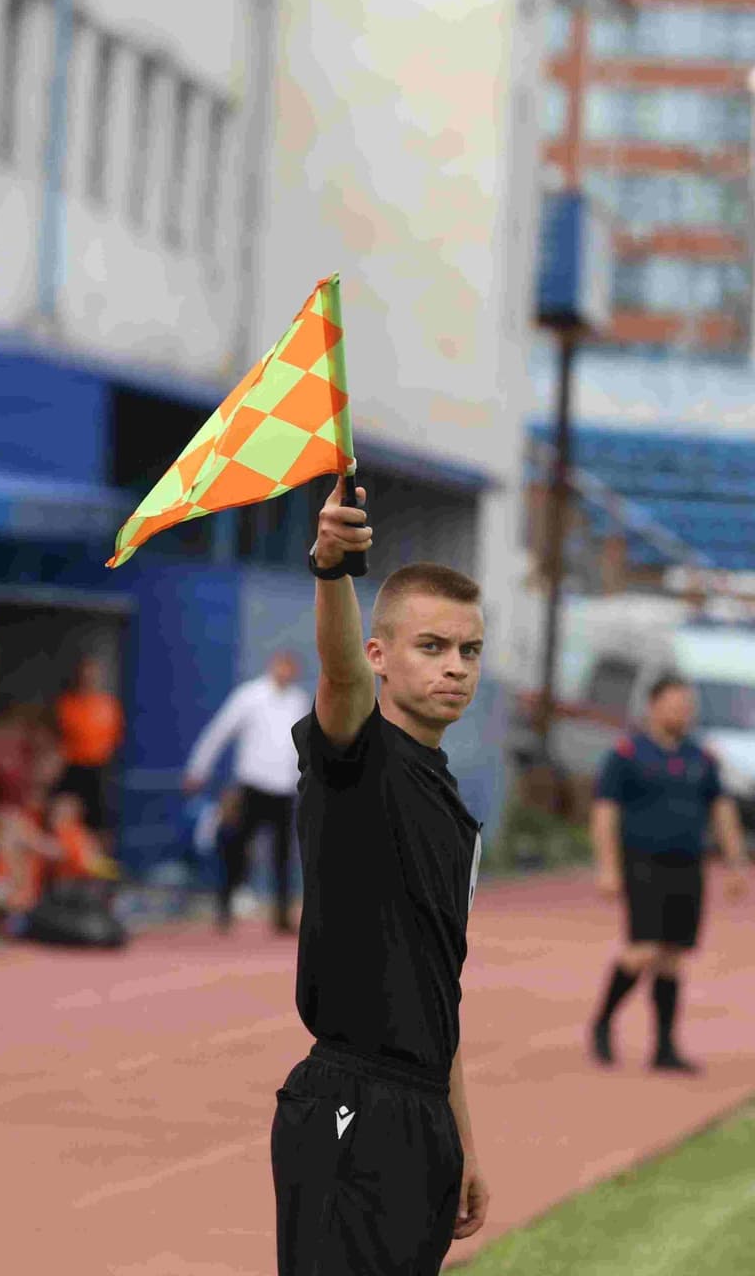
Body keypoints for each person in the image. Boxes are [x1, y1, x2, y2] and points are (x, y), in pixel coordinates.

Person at [271, 473, 489, 1275]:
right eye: (431, 647)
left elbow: (443, 989)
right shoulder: (357, 759)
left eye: (469, 651)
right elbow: (336, 677)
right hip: (348, 1100)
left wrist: (459, 1136)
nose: (455, 667)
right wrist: (332, 569)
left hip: (422, 1114)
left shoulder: (454, 809)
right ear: (380, 655)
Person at [587, 675, 749, 1073]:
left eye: (688, 706)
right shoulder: (627, 754)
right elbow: (605, 812)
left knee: (673, 956)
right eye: (676, 704)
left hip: (688, 864)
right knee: (643, 950)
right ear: (653, 706)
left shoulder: (702, 758)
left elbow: (722, 809)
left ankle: (664, 1048)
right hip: (643, 862)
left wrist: (735, 861)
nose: (683, 712)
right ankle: (604, 1021)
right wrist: (607, 867)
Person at [183, 649, 311, 934]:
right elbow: (220, 731)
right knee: (236, 850)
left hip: (284, 790)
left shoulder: (299, 701)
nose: (286, 671)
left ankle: (280, 915)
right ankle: (224, 909)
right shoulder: (250, 696)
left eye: (291, 667)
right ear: (272, 665)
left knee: (283, 856)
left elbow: (307, 745)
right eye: (282, 665)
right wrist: (197, 769)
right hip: (252, 786)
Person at [56, 655, 124, 830]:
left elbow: (116, 739)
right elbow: (58, 737)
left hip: (100, 770)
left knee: (100, 819)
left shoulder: (109, 706)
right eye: (85, 675)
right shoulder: (66, 705)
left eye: (93, 676)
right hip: (73, 768)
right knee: (70, 816)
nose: (89, 680)